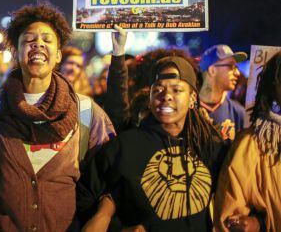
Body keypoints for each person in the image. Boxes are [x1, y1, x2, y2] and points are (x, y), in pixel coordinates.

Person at [0, 0, 115, 231]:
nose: (37, 45)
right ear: (16, 52)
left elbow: (112, 176)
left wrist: (102, 219)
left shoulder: (86, 112)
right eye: (28, 40)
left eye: (47, 40)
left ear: (58, 55)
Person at [78, 56, 226, 231]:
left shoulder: (212, 148)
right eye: (158, 90)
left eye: (177, 90)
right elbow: (83, 196)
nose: (166, 97)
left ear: (193, 97)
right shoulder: (126, 145)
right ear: (149, 97)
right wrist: (117, 228)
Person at [214, 51, 281, 231]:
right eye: (229, 66)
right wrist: (259, 224)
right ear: (275, 85)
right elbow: (230, 219)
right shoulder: (252, 145)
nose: (235, 73)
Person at [199, 44, 248, 140]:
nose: (237, 73)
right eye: (231, 66)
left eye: (236, 67)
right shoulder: (187, 109)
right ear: (212, 70)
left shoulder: (238, 113)